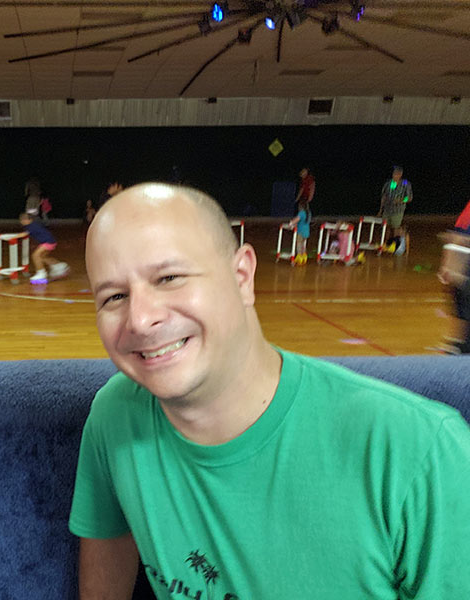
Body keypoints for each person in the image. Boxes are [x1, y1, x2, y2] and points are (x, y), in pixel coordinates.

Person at [70, 182, 470, 599]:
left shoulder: (422, 454)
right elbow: (108, 552)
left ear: (242, 276)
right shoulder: (114, 417)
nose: (140, 319)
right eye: (114, 296)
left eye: (169, 277)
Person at [437, 198, 470, 354]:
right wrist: (448, 264)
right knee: (462, 303)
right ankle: (463, 344)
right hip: (463, 264)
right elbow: (458, 236)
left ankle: (463, 344)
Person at [19, 212, 69, 284]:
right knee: (43, 257)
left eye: (24, 220)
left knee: (35, 255)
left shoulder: (31, 226)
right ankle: (59, 266)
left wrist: (11, 236)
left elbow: (23, 234)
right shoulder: (32, 225)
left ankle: (41, 273)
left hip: (47, 242)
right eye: (21, 220)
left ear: (29, 220)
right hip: (50, 241)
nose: (22, 221)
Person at [378, 166, 413, 255]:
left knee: (395, 227)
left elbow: (409, 198)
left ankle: (396, 245)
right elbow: (384, 196)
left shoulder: (405, 183)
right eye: (394, 174)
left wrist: (400, 200)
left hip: (398, 210)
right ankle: (385, 245)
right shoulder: (389, 183)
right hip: (387, 209)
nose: (395, 176)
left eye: (397, 174)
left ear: (400, 175)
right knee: (386, 227)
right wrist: (380, 210)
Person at [288, 198, 311, 265]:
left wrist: (291, 223)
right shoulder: (308, 213)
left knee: (299, 244)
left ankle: (299, 258)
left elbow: (297, 219)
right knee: (303, 245)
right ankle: (304, 257)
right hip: (306, 231)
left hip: (301, 231)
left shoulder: (301, 213)